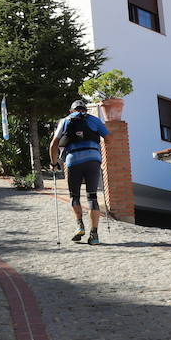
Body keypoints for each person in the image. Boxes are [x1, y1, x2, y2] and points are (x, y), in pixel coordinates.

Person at [49, 99, 110, 244]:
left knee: (74, 196)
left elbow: (54, 144)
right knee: (92, 197)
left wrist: (54, 162)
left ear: (71, 111)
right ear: (85, 110)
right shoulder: (94, 120)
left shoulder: (65, 121)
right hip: (93, 161)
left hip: (73, 160)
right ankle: (94, 235)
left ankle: (79, 226)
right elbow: (109, 138)